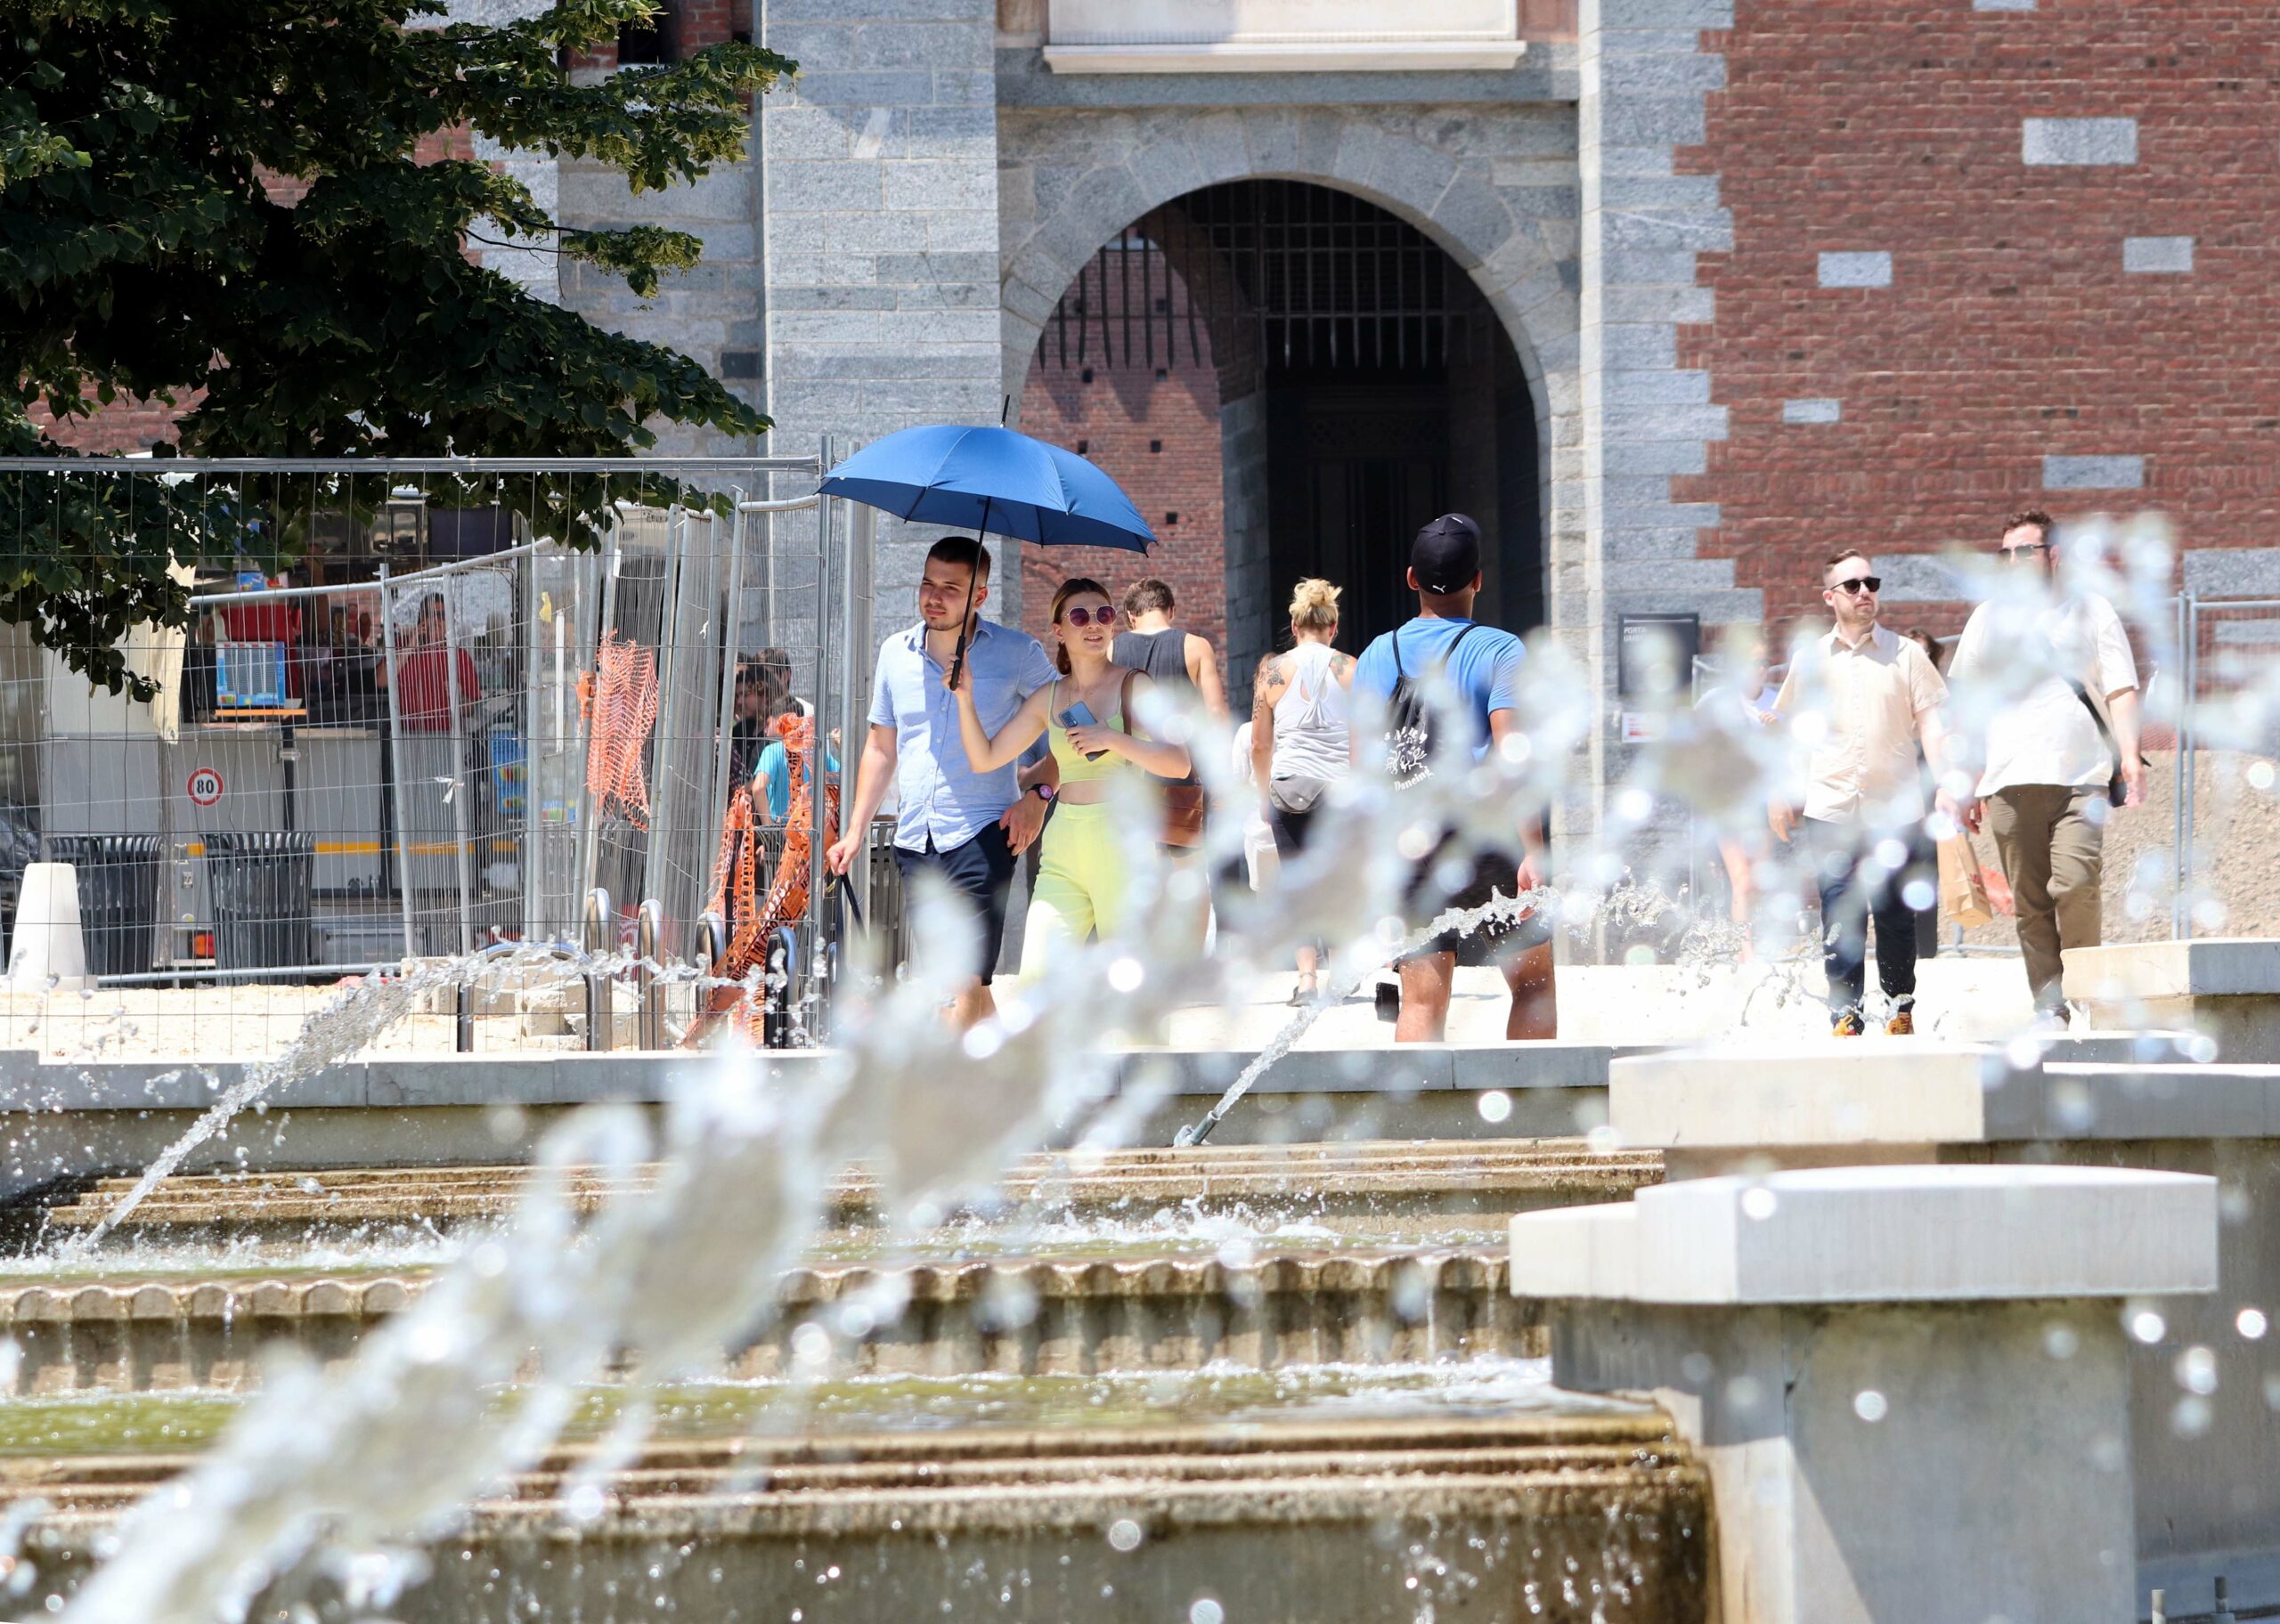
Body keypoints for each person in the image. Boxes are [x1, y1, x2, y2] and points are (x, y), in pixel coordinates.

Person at [826, 539, 1059, 1031]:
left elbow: (1074, 728)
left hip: (984, 834)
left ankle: (948, 1101)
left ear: (979, 596)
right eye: (928, 584)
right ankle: (1013, 1078)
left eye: (951, 588)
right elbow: (880, 749)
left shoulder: (1019, 654)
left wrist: (1038, 798)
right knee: (964, 985)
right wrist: (854, 831)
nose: (934, 597)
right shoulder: (895, 653)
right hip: (915, 841)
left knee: (963, 981)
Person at [1352, 514, 1555, 1044]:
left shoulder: (1377, 653)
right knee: (1533, 989)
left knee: (1421, 999)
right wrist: (1533, 847)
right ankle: (1528, 1118)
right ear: (1479, 580)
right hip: (1489, 837)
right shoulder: (1500, 649)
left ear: (1411, 578)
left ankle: (1418, 1125)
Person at [1944, 508, 2145, 1026]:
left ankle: (2085, 994)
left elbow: (2121, 687)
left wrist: (2129, 755)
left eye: (2025, 551)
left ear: (2053, 555)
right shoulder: (1987, 619)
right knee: (2032, 905)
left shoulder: (2091, 609)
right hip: (2008, 782)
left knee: (2076, 884)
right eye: (2006, 553)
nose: (2014, 562)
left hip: (2083, 780)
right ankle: (2049, 1006)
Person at [949, 577, 1192, 978]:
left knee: (1131, 986)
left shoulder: (1135, 684)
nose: (1093, 623)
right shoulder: (1049, 696)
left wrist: (1111, 737)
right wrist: (964, 697)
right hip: (1063, 845)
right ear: (1059, 631)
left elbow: (1178, 762)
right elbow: (985, 757)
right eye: (1080, 616)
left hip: (1122, 840)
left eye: (1104, 614)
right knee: (1035, 981)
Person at [1767, 550, 1950, 1036]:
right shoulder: (1810, 660)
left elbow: (1933, 725)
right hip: (1831, 808)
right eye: (1853, 585)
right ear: (1831, 597)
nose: (1865, 592)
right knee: (1838, 912)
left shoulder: (1906, 655)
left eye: (1872, 582)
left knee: (1893, 914)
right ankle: (1845, 1013)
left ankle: (1898, 1009)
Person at [1250, 578, 1354, 1003]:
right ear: (1333, 627)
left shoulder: (1273, 671)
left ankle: (1308, 980)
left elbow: (1260, 743)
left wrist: (1262, 794)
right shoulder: (1352, 667)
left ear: (1294, 627)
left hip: (1289, 787)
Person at [1114, 578, 1227, 717]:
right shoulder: (1197, 647)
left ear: (1131, 616)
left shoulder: (1110, 650)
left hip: (1124, 738)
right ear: (1172, 611)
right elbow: (1216, 712)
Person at [387, 594, 482, 731]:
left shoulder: (459, 656)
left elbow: (471, 710)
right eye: (431, 614)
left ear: (451, 621)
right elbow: (382, 680)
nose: (436, 620)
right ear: (422, 618)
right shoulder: (402, 645)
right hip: (403, 737)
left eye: (442, 615)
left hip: (446, 737)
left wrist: (458, 697)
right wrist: (411, 645)